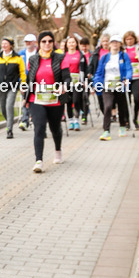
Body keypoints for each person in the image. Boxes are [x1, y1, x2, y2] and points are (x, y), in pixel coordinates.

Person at [24, 30, 71, 173]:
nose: (47, 44)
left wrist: (64, 86)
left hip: (55, 100)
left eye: (50, 41)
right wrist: (26, 95)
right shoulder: (33, 59)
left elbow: (67, 78)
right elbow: (29, 79)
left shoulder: (60, 58)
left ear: (53, 43)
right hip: (36, 99)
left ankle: (58, 149)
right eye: (44, 41)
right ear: (39, 43)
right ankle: (38, 161)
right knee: (39, 128)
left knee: (55, 128)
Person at [94, 34, 132, 140]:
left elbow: (129, 69)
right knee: (108, 106)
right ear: (110, 44)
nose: (115, 44)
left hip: (120, 85)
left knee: (121, 106)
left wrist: (127, 78)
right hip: (107, 86)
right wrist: (96, 82)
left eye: (117, 42)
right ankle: (106, 131)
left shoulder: (124, 56)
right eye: (113, 42)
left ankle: (122, 126)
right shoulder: (105, 57)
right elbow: (99, 72)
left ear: (120, 44)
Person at [0, 37, 26, 138]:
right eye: (3, 43)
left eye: (6, 44)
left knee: (9, 106)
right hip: (1, 86)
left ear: (11, 45)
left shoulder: (18, 58)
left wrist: (23, 84)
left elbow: (22, 73)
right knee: (3, 109)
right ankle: (10, 120)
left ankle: (9, 130)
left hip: (13, 86)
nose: (4, 45)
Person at [123, 30, 139, 129]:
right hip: (126, 78)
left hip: (137, 77)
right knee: (126, 100)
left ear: (134, 39)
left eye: (131, 39)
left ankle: (135, 118)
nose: (129, 41)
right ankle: (127, 121)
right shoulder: (123, 50)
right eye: (127, 39)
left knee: (137, 99)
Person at [63, 33, 88, 130]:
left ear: (76, 44)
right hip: (67, 81)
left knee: (76, 100)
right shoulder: (63, 56)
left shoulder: (80, 55)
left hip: (77, 81)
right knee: (68, 101)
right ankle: (70, 121)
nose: (71, 44)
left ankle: (77, 120)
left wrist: (85, 80)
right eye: (69, 42)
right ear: (67, 44)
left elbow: (85, 69)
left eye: (73, 42)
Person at [18, 33, 37, 130]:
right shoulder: (21, 54)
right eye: (26, 42)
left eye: (30, 41)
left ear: (34, 42)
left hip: (37, 81)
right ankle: (25, 121)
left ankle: (35, 118)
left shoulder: (39, 53)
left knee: (36, 101)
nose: (28, 43)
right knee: (26, 100)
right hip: (25, 81)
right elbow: (18, 69)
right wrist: (20, 83)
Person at [89, 32, 111, 115]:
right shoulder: (96, 52)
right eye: (104, 41)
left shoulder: (113, 52)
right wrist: (90, 72)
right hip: (99, 77)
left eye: (107, 41)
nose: (105, 43)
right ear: (101, 42)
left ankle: (112, 112)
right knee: (100, 98)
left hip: (110, 77)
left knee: (110, 97)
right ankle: (105, 113)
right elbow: (92, 64)